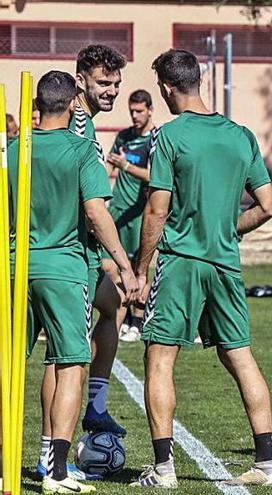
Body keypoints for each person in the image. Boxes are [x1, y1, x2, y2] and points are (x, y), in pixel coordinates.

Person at [131, 49, 272, 488]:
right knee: (240, 357)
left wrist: (141, 270)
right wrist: (226, 229)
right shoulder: (241, 135)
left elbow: (157, 211)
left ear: (166, 87)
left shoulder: (168, 136)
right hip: (225, 264)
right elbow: (267, 206)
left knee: (159, 359)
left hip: (181, 263)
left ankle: (163, 469)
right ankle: (268, 463)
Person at [10, 70, 137, 494]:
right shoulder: (81, 150)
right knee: (69, 365)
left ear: (36, 106)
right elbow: (98, 214)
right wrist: (124, 263)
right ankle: (58, 472)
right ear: (70, 105)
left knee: (10, 365)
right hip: (63, 269)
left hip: (15, 268)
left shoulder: (13, 149)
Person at [36, 43, 128, 482]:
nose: (111, 90)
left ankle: (94, 404)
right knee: (62, 356)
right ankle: (51, 452)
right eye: (103, 83)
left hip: (77, 254)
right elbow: (84, 199)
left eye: (116, 84)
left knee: (113, 308)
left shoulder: (86, 123)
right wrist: (119, 260)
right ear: (80, 82)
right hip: (69, 254)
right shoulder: (75, 126)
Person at [105, 89, 158, 344]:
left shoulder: (155, 140)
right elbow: (109, 166)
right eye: (131, 111)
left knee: (140, 268)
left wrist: (127, 166)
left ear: (150, 110)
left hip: (140, 214)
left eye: (139, 111)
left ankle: (137, 321)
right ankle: (123, 319)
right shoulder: (124, 137)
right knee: (117, 268)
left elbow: (154, 176)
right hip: (118, 212)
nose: (135, 116)